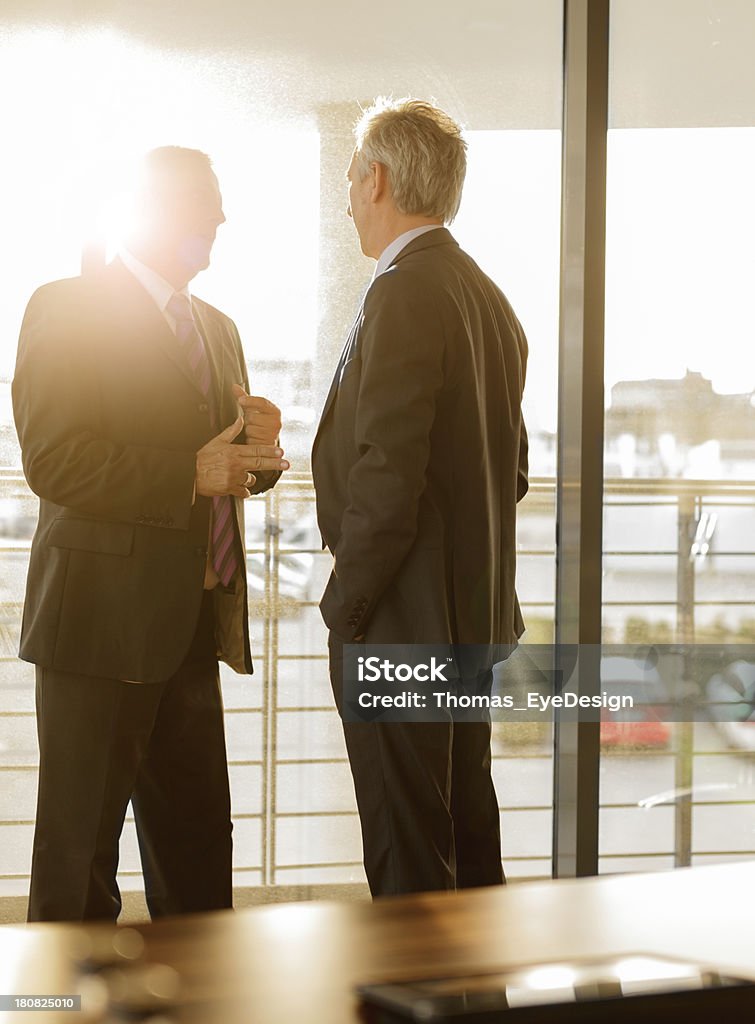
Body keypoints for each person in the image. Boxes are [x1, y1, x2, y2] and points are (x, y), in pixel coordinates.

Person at [12, 146, 289, 922]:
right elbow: (55, 460)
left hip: (193, 630)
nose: (222, 217)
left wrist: (262, 455)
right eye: (208, 200)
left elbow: (226, 465)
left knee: (201, 855)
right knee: (79, 861)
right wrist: (186, 474)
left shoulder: (220, 327)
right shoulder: (64, 306)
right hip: (99, 630)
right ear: (157, 209)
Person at [311, 99, 529, 897]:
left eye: (348, 179)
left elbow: (387, 474)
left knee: (409, 852)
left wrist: (348, 605)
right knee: (467, 837)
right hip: (467, 624)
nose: (343, 201)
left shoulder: (402, 290)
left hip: (401, 626)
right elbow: (511, 472)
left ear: (376, 178)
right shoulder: (488, 299)